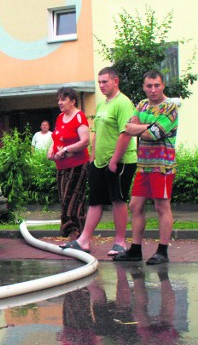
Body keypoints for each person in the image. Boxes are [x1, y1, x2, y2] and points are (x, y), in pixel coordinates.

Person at [60, 67, 137, 255]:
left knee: (118, 200)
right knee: (95, 201)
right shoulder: (103, 105)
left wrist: (114, 161)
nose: (101, 85)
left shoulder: (123, 103)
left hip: (120, 162)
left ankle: (120, 242)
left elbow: (126, 133)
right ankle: (84, 240)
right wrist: (93, 157)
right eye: (99, 82)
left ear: (115, 81)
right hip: (100, 162)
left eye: (105, 81)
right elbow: (96, 133)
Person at [114, 70, 179, 264]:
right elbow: (128, 128)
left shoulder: (170, 108)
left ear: (163, 86)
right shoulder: (142, 105)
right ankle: (135, 249)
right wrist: (148, 127)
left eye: (156, 85)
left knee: (161, 206)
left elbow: (154, 134)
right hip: (143, 165)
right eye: (149, 86)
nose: (152, 90)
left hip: (162, 165)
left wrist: (141, 127)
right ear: (144, 87)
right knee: (135, 205)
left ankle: (163, 251)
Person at [48, 87, 90, 241]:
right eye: (58, 99)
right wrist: (50, 151)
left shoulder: (79, 117)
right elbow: (56, 138)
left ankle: (77, 236)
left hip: (77, 166)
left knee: (71, 202)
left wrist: (65, 150)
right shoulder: (60, 117)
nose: (60, 102)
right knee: (65, 200)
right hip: (62, 167)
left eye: (63, 99)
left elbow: (85, 141)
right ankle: (76, 236)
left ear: (72, 101)